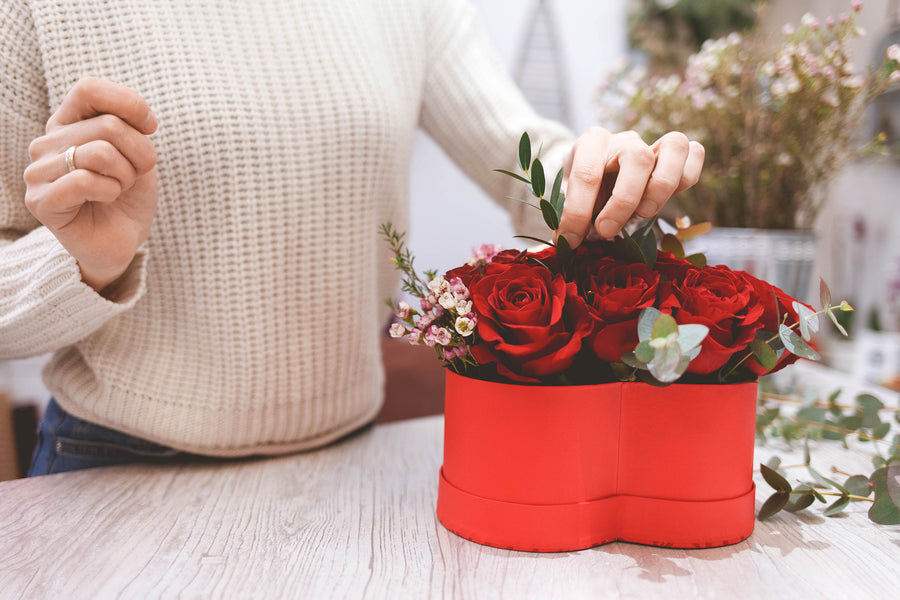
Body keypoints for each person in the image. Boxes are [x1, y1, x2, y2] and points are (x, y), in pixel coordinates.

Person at [0, 0, 703, 476]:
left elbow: (528, 165)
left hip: (348, 463)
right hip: (115, 470)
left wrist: (608, 178)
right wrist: (85, 263)